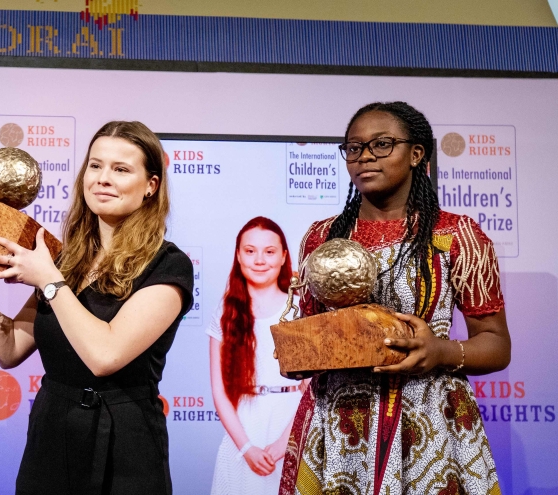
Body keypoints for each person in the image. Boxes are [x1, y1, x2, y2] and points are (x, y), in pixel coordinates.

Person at [0, 121, 193, 494]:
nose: (103, 178)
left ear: (151, 185)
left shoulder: (168, 265)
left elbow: (105, 355)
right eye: (95, 165)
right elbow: (9, 348)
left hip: (125, 445)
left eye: (121, 169)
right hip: (52, 437)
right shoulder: (64, 260)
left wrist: (50, 282)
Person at [279, 102, 511, 495]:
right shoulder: (322, 239)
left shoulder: (456, 235)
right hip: (339, 424)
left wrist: (439, 351)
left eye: (382, 144)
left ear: (416, 154)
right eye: (353, 148)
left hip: (430, 421)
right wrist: (299, 355)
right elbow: (308, 333)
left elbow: (496, 344)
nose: (365, 156)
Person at [206, 217, 301, 494]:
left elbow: (312, 387)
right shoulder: (224, 312)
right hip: (243, 431)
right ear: (238, 256)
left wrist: (286, 442)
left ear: (283, 257)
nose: (260, 260)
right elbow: (219, 390)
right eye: (250, 251)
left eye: (269, 252)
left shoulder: (298, 309)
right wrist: (246, 448)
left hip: (293, 426)